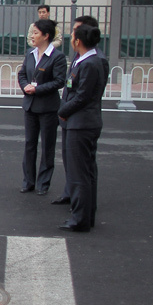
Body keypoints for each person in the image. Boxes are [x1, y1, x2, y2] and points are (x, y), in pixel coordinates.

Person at [57, 23, 108, 232]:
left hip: (81, 123)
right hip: (82, 121)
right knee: (85, 172)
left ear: (78, 41)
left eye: (72, 36)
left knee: (80, 174)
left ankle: (80, 219)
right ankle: (86, 215)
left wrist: (62, 111)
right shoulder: (86, 60)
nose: (71, 40)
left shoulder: (90, 64)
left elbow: (82, 97)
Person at [17, 18, 67, 196]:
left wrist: (37, 89)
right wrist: (25, 87)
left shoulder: (57, 57)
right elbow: (22, 73)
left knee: (47, 146)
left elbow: (59, 81)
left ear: (46, 36)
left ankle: (43, 183)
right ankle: (28, 181)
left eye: (36, 33)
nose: (33, 35)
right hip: (30, 106)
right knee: (30, 144)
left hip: (48, 107)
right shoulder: (30, 53)